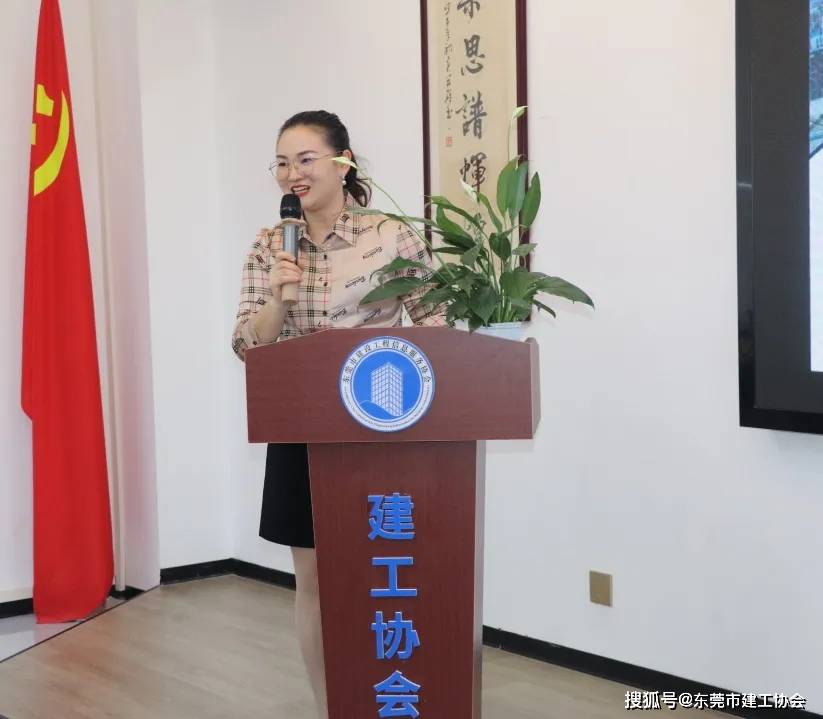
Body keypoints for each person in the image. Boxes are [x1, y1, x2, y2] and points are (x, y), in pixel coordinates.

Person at [230, 110, 446, 719]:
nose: (291, 174)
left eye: (305, 159)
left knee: (389, 574)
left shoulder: (391, 235)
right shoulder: (270, 244)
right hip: (301, 428)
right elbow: (248, 346)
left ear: (343, 162)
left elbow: (435, 326)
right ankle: (332, 707)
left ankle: (396, 698)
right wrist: (279, 297)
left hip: (383, 429)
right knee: (316, 582)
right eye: (281, 163)